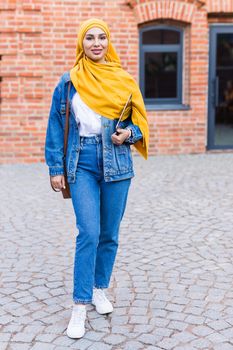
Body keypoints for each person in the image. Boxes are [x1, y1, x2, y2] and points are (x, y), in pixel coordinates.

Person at [45, 18, 149, 339]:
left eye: (101, 37)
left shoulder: (123, 80)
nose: (96, 43)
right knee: (88, 231)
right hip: (82, 162)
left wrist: (128, 134)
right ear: (81, 43)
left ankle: (100, 288)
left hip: (117, 162)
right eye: (89, 38)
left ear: (108, 42)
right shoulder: (69, 82)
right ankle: (79, 304)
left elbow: (141, 125)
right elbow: (54, 126)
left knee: (109, 233)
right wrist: (55, 168)